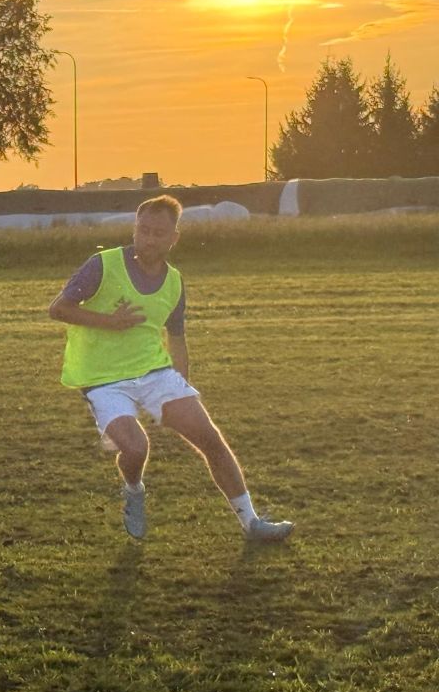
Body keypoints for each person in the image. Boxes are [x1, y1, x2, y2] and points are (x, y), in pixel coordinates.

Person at [48, 195, 294, 543]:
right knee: (136, 449)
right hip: (101, 378)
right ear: (135, 229)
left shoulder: (175, 281)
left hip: (154, 373)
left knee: (210, 438)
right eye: (143, 230)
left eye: (158, 233)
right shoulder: (102, 264)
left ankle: (252, 523)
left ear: (174, 238)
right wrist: (110, 322)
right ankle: (134, 490)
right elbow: (58, 309)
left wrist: (182, 387)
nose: (148, 239)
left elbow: (177, 337)